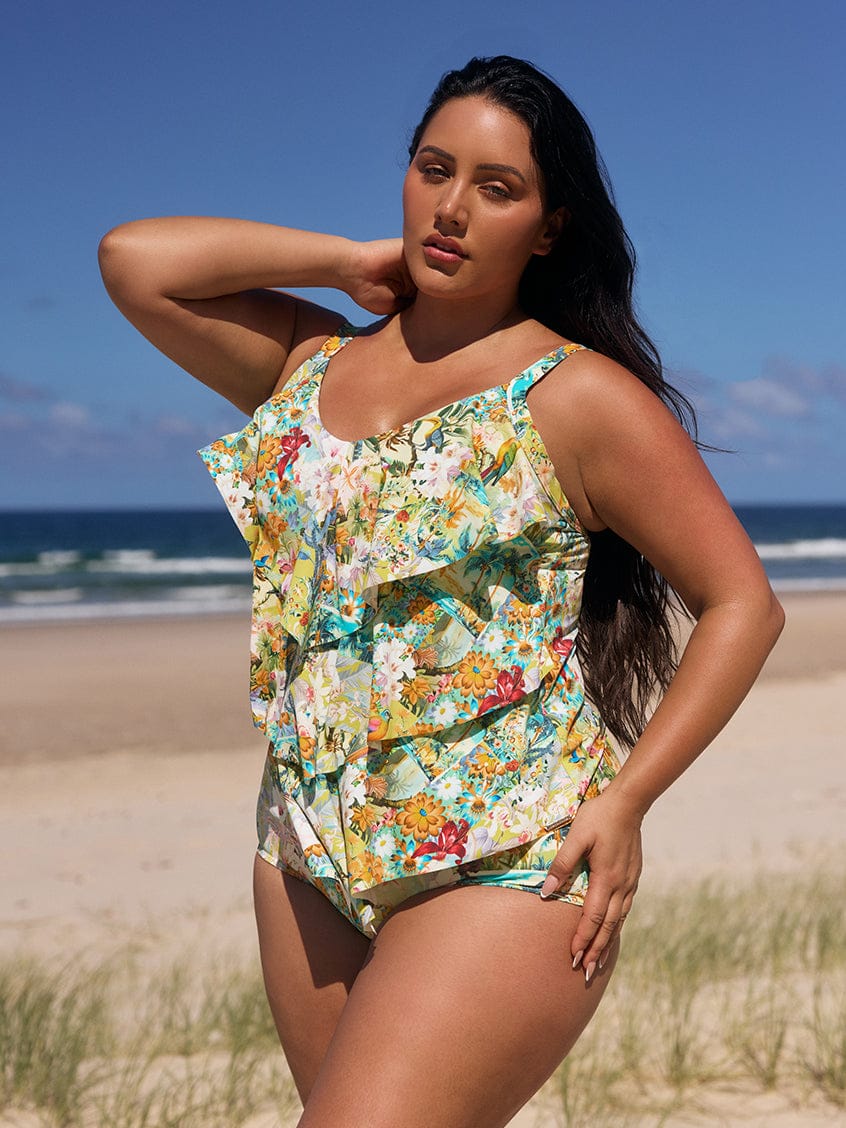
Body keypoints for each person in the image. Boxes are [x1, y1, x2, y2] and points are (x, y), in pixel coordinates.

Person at [98, 55, 784, 1128]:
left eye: (497, 187)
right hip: (306, 848)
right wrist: (345, 260)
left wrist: (629, 798)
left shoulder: (575, 398)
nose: (452, 207)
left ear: (550, 228)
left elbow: (743, 603)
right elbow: (137, 261)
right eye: (433, 169)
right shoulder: (308, 365)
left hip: (509, 854)